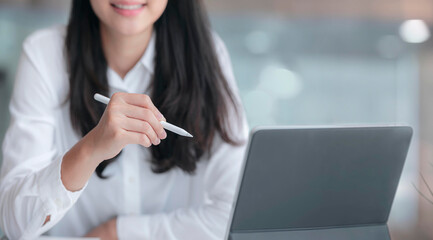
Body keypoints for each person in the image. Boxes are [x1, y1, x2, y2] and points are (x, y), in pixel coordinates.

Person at [0, 0, 248, 239]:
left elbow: (239, 213)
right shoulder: (44, 54)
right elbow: (14, 225)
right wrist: (91, 148)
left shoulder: (207, 54)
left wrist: (118, 233)